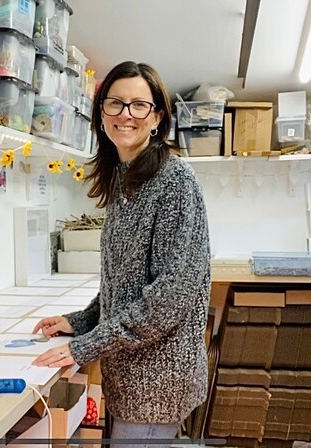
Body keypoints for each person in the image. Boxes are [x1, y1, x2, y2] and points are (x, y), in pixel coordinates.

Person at [32, 61, 211, 446]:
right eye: (115, 103)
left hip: (156, 381)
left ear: (157, 117)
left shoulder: (175, 183)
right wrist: (79, 320)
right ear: (101, 114)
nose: (125, 114)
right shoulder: (123, 178)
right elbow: (122, 281)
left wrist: (85, 346)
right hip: (130, 374)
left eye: (138, 105)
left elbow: (168, 299)